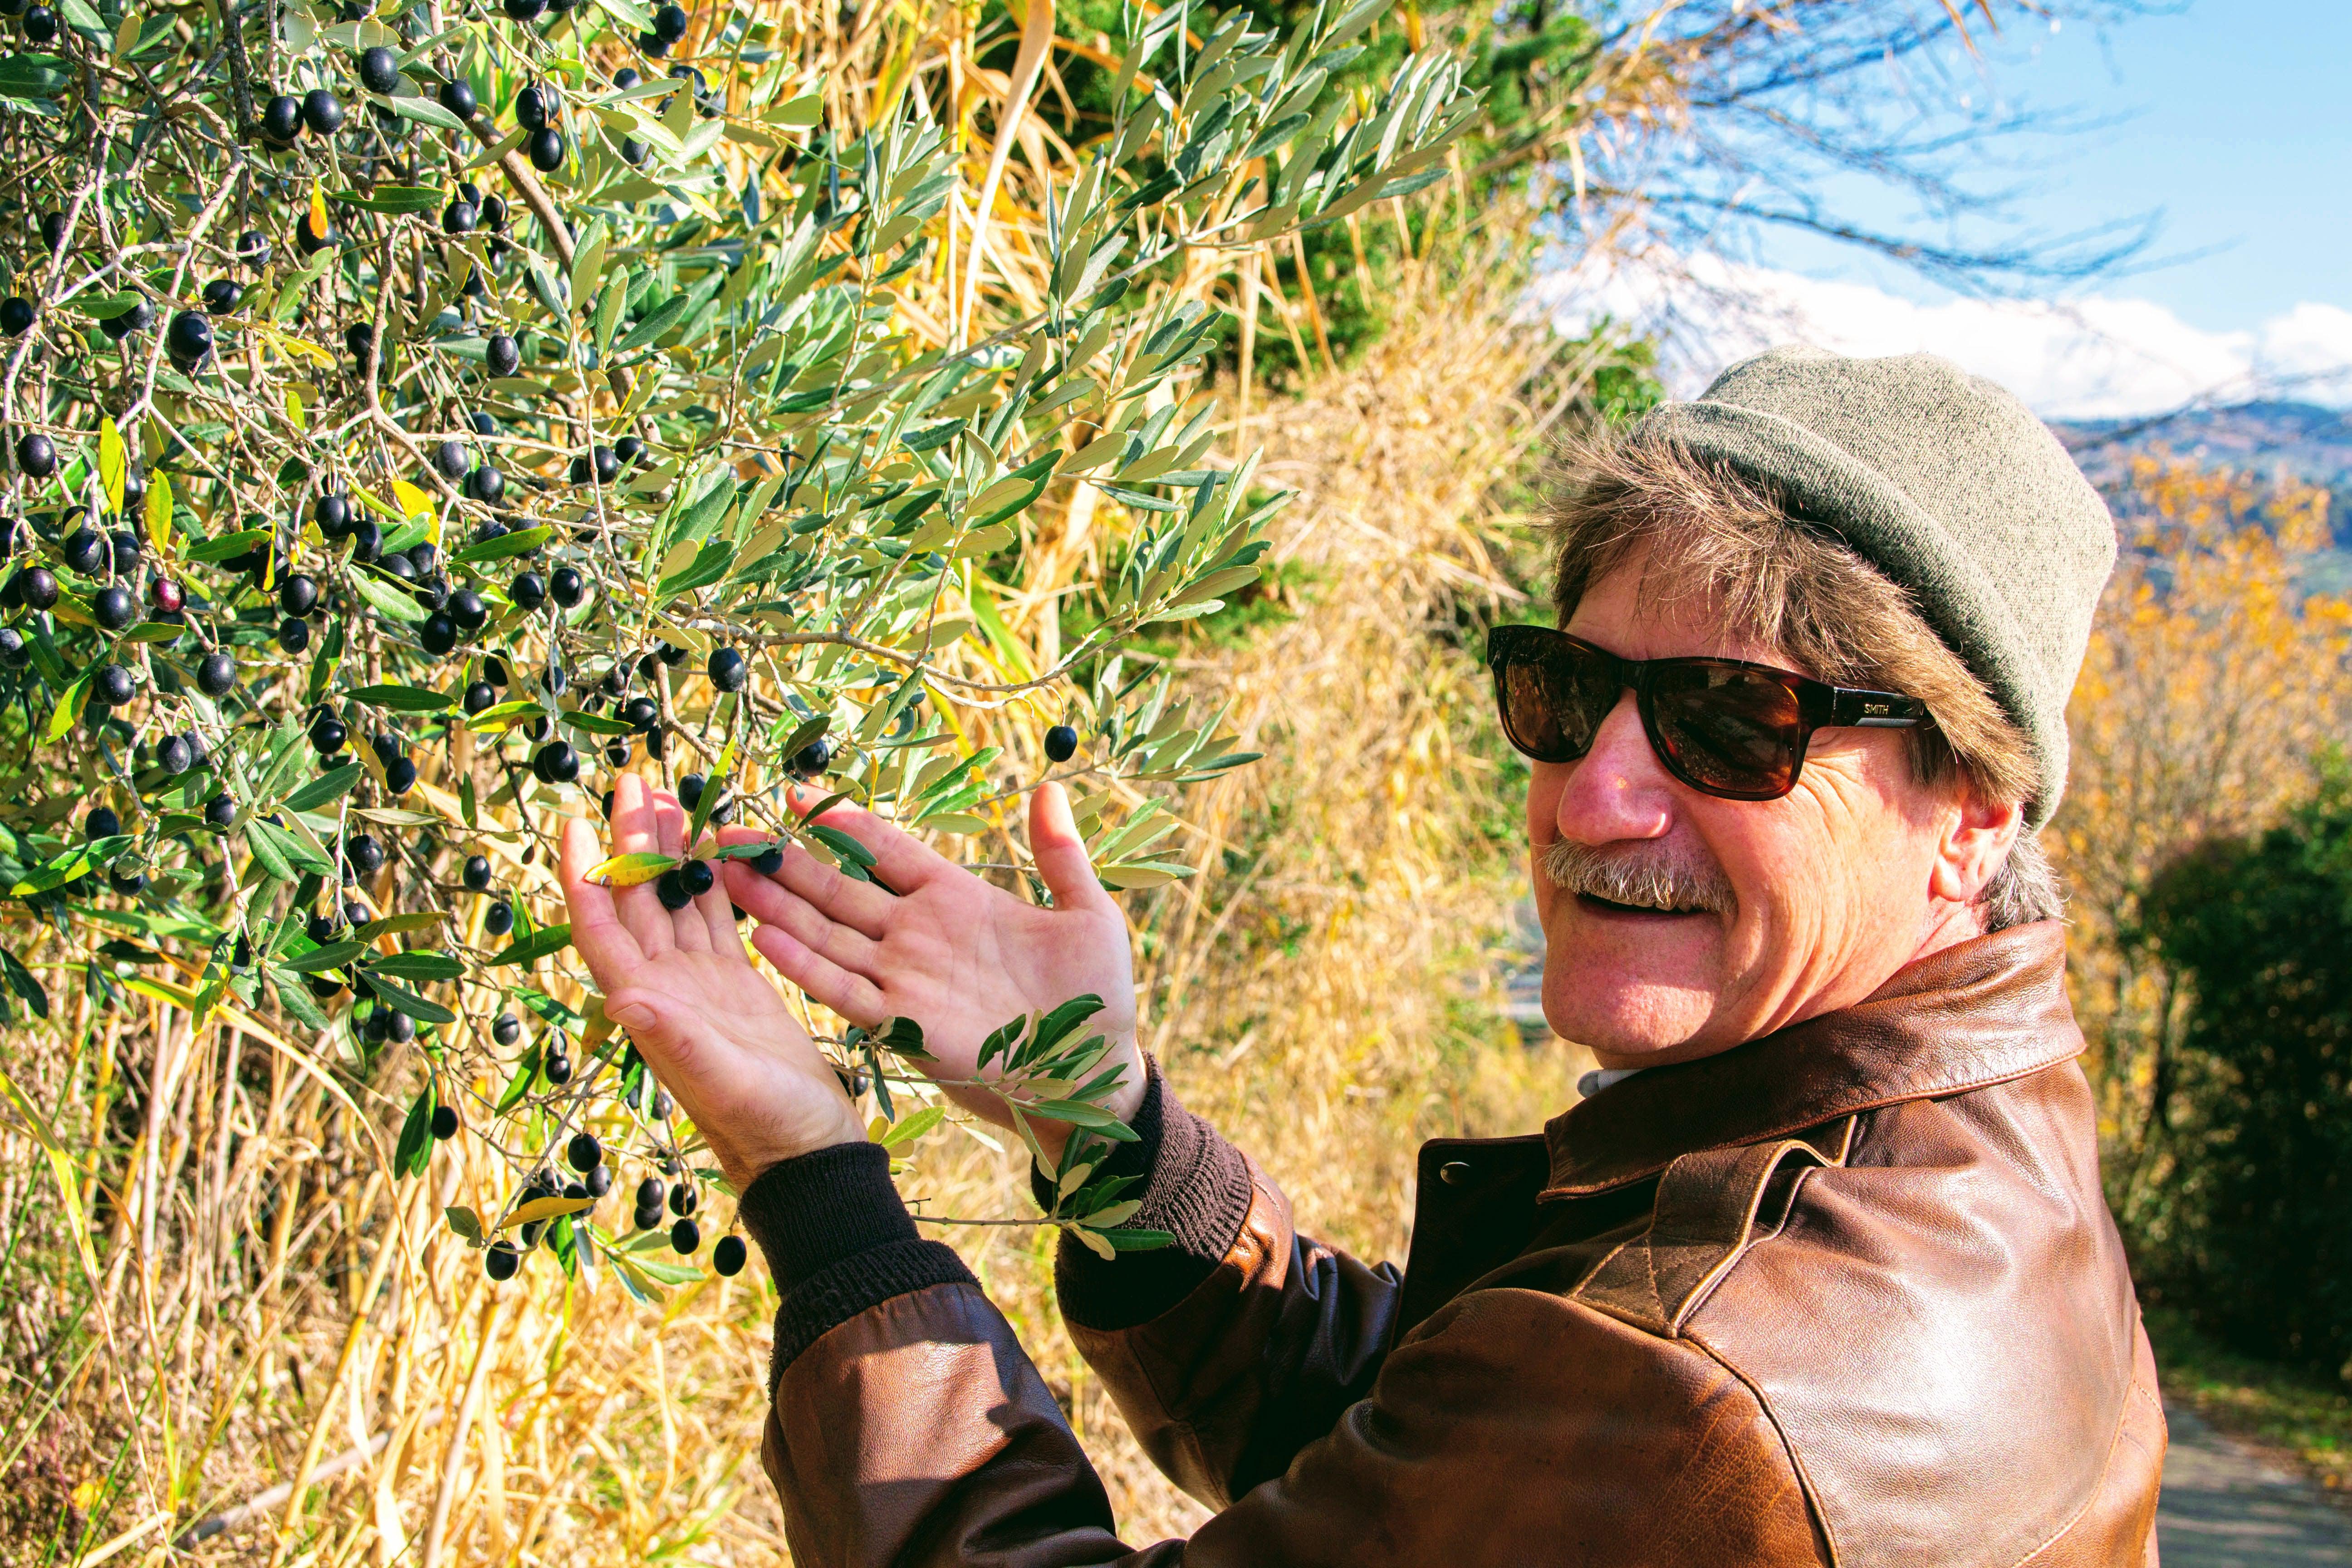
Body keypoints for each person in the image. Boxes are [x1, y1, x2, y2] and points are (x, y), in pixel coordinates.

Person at [559, 346, 2165, 1565]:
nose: (1596, 795)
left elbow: (1588, 1429)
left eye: (1735, 721)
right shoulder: (1975, 1151)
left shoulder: (1716, 1383)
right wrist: (1102, 1122)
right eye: (1566, 690)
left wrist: (815, 1178)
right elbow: (1429, 1443)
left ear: (1972, 813)